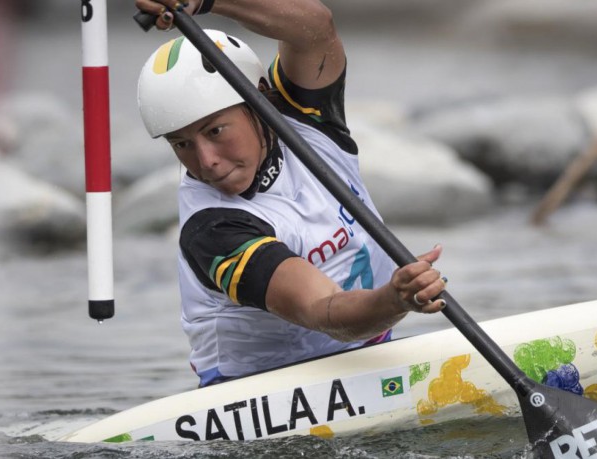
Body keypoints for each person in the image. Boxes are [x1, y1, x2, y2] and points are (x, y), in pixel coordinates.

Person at [134, 0, 448, 387]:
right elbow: (325, 312)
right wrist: (394, 300)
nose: (207, 161)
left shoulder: (306, 117)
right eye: (181, 144)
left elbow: (315, 27)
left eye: (216, 131)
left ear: (261, 98)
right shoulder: (213, 228)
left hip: (371, 353)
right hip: (259, 388)